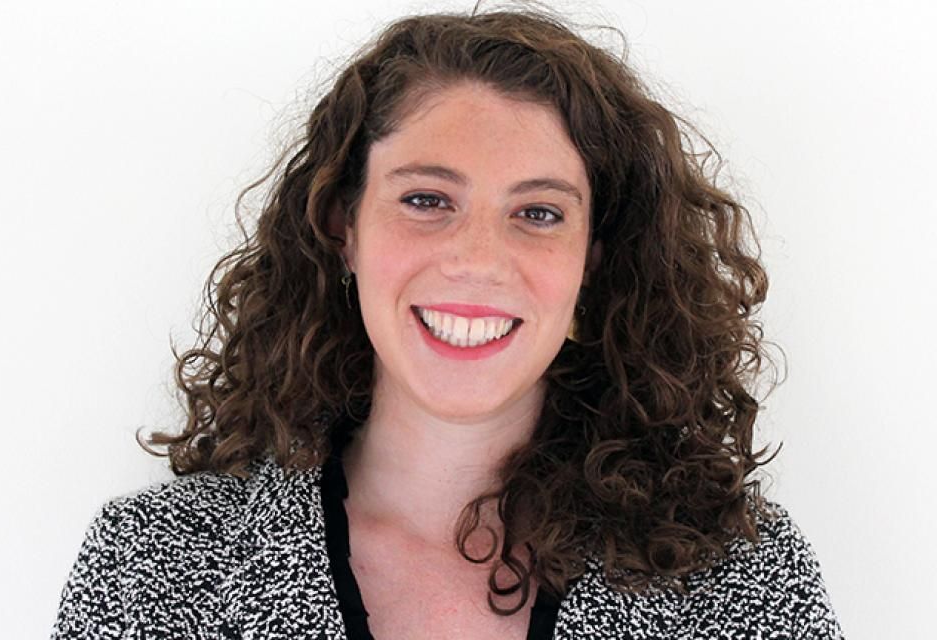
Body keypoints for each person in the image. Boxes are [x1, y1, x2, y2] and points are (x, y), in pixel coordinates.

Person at [51, 6, 844, 639]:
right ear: (343, 227)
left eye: (538, 212)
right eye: (427, 200)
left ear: (594, 262)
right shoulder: (152, 565)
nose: (477, 260)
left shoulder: (740, 578)